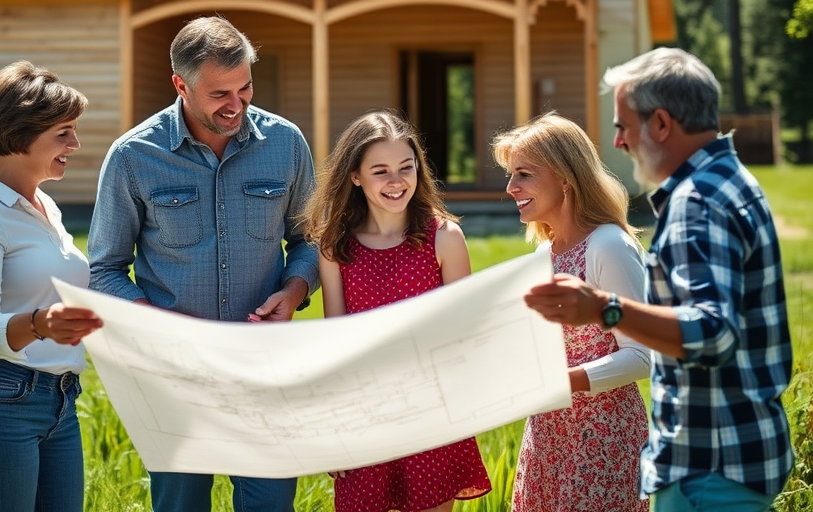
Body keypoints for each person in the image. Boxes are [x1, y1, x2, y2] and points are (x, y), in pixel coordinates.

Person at [524, 48, 793, 512]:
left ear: (662, 124)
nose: (620, 142)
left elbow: (712, 330)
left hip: (708, 465)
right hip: (733, 456)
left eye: (624, 126)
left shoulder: (698, 203)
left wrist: (605, 309)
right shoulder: (729, 183)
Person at [88, 16, 319, 512]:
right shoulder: (133, 156)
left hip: (264, 365)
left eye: (245, 87)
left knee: (270, 505)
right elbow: (103, 270)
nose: (236, 105)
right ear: (180, 85)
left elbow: (311, 241)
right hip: (173, 373)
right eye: (219, 94)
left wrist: (296, 290)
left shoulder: (286, 144)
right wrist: (164, 324)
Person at [299, 109, 492, 512]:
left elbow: (465, 337)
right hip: (364, 415)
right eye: (380, 171)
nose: (396, 181)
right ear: (355, 176)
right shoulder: (336, 246)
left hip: (432, 413)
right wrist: (337, 428)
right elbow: (336, 342)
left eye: (406, 167)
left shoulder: (445, 238)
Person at [0, 61, 103, 512]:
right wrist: (41, 324)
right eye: (63, 133)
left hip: (59, 401)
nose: (75, 144)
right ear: (20, 135)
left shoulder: (44, 205)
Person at [491, 112, 651, 512]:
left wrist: (565, 382)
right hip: (547, 435)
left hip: (603, 439)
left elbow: (643, 355)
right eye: (511, 176)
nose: (511, 187)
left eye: (524, 174)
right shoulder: (544, 254)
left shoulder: (608, 245)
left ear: (565, 177)